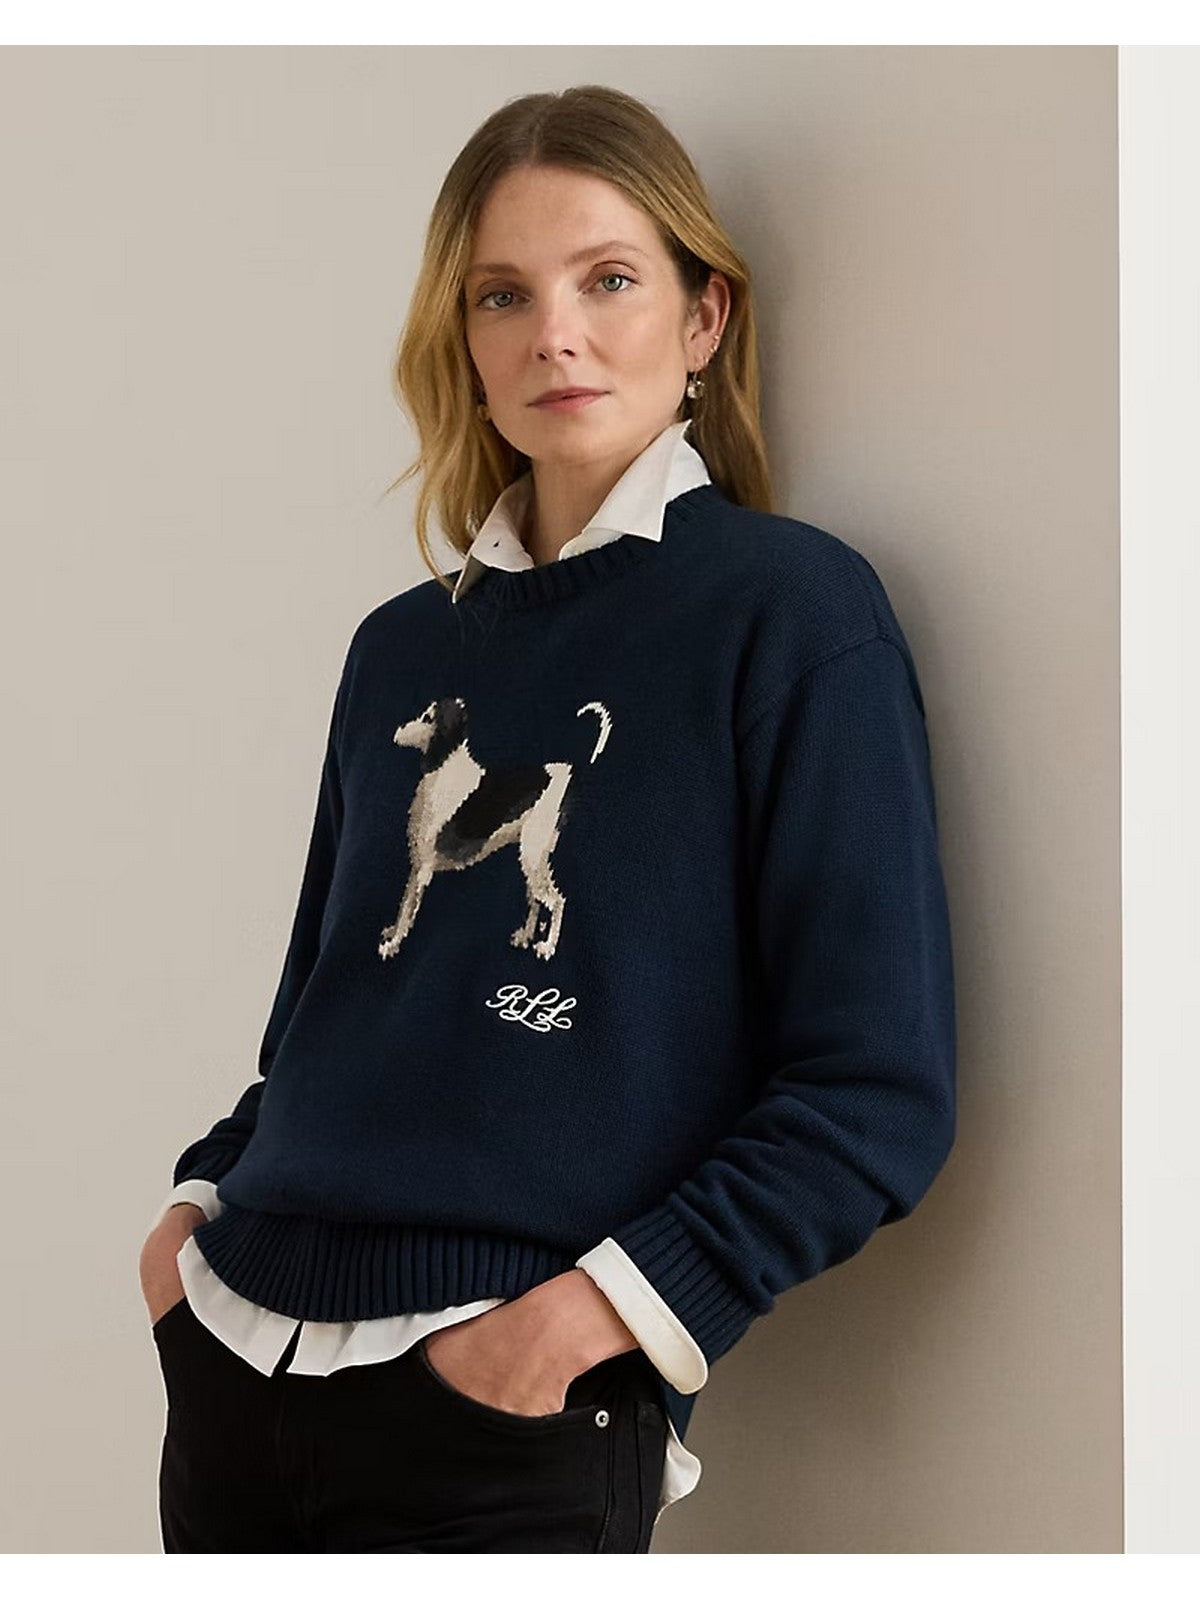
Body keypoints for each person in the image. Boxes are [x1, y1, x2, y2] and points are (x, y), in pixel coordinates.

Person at [138, 83, 957, 1555]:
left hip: (510, 1410)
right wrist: (194, 1219)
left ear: (705, 318)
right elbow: (328, 1010)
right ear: (462, 340)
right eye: (503, 294)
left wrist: (587, 1323)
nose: (553, 335)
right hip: (238, 1364)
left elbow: (873, 1089)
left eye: (610, 280)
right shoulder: (401, 646)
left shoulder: (792, 616)